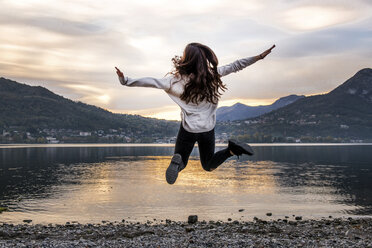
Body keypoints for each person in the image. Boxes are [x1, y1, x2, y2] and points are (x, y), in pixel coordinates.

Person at [116, 43, 275, 184]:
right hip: (207, 129)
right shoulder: (211, 76)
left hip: (188, 130)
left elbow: (150, 81)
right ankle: (232, 150)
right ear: (202, 60)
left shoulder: (174, 81)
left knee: (181, 160)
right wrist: (259, 57)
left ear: (187, 59)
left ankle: (178, 160)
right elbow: (236, 65)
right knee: (208, 165)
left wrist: (125, 80)